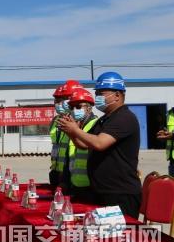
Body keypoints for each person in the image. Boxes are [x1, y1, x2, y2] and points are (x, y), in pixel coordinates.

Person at [58, 71, 141, 218]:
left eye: (101, 93)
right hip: (101, 191)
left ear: (117, 95)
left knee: (121, 232)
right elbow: (83, 145)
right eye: (96, 93)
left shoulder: (124, 117)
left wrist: (75, 130)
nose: (97, 97)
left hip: (120, 193)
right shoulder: (104, 119)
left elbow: (99, 143)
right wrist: (70, 132)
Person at [60, 88, 97, 202]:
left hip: (91, 187)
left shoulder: (96, 125)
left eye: (78, 106)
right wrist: (65, 181)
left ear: (89, 108)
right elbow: (69, 157)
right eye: (72, 107)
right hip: (75, 184)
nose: (75, 110)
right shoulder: (73, 126)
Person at [49, 80, 83, 187]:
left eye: (64, 99)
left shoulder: (80, 121)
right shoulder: (55, 120)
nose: (60, 104)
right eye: (57, 100)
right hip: (57, 170)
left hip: (72, 174)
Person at [156, 84, 174, 182]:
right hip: (173, 162)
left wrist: (172, 136)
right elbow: (167, 132)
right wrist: (163, 135)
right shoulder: (171, 113)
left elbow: (172, 136)